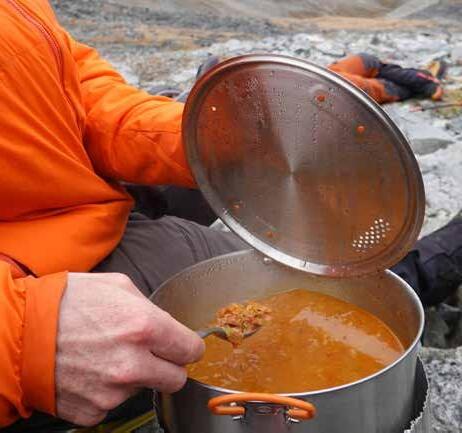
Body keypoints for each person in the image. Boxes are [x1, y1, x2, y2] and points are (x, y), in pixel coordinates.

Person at [0, 3, 460, 432]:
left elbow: (65, 86)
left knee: (262, 201)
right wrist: (23, 339)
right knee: (305, 273)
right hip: (30, 274)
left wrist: (199, 140)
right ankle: (431, 263)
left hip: (64, 193)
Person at [328, 53, 446, 104]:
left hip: (331, 83)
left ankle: (424, 80)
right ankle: (423, 80)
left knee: (366, 63)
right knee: (382, 77)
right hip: (334, 88)